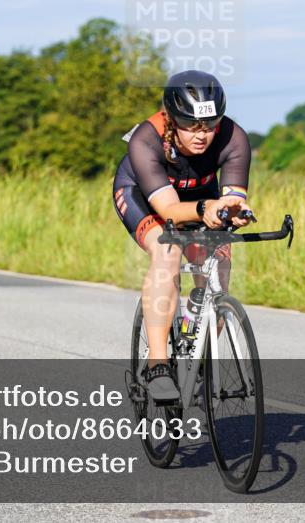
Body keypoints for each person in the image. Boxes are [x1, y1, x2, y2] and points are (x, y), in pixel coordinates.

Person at [112, 70, 252, 401]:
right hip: (144, 197)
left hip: (202, 196)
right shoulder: (145, 140)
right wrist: (206, 209)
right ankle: (158, 363)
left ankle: (194, 336)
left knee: (219, 267)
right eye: (191, 125)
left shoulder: (234, 138)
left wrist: (234, 211)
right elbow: (171, 211)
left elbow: (233, 196)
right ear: (171, 120)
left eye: (210, 124)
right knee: (168, 251)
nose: (202, 135)